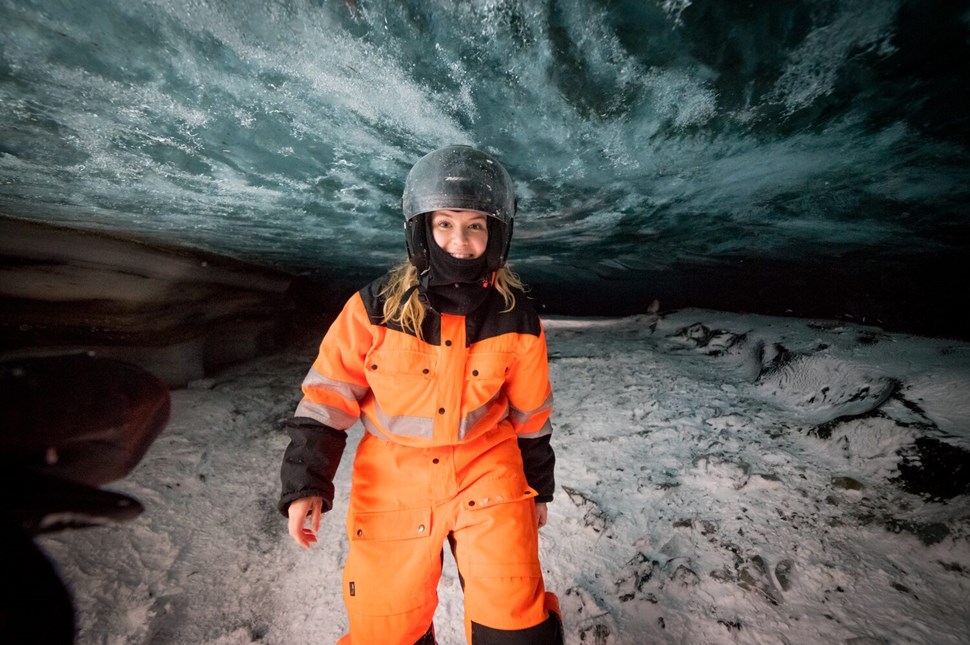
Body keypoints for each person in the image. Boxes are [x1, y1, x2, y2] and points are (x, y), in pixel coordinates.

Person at [278, 144, 563, 645]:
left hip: (488, 473)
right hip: (394, 481)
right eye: (445, 224)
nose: (460, 240)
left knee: (518, 628)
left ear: (496, 235)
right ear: (421, 230)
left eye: (476, 225)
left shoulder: (517, 317)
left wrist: (537, 487)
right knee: (386, 632)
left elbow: (531, 414)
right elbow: (327, 402)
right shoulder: (374, 308)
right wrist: (306, 484)